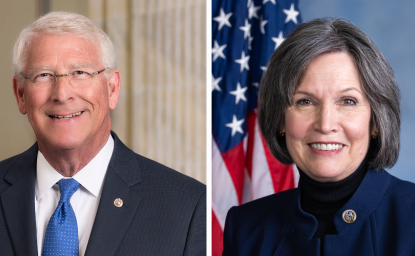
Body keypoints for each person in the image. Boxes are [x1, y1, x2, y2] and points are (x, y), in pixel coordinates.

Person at [0, 12, 205, 256]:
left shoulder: (187, 206)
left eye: (80, 73)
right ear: (20, 94)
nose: (62, 94)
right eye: (43, 75)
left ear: (112, 89)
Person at [222, 18, 415, 256]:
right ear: (281, 120)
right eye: (305, 101)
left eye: (347, 101)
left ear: (375, 121)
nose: (325, 124)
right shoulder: (245, 229)